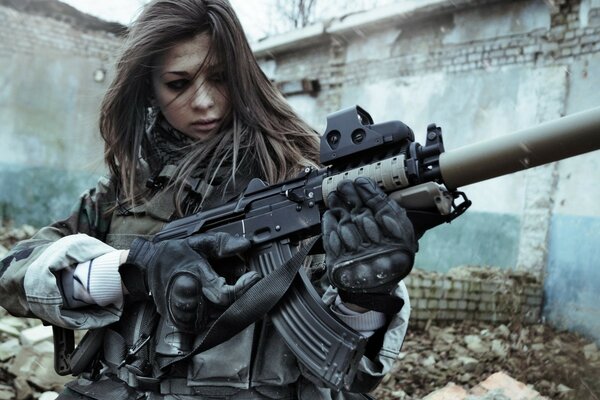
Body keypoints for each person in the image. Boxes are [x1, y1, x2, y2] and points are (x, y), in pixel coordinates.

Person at [0, 0, 417, 399]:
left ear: (242, 77)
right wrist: (130, 271)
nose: (204, 102)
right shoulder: (124, 194)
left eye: (219, 77)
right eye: (179, 84)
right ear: (148, 91)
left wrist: (365, 296)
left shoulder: (302, 180)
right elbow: (14, 276)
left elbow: (350, 368)